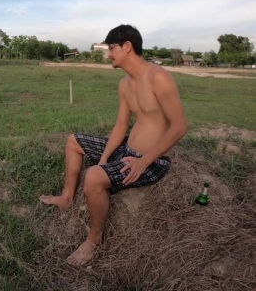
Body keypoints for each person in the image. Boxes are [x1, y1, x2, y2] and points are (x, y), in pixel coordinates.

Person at [39, 24, 187, 266]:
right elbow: (120, 126)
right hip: (127, 149)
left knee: (94, 177)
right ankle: (67, 198)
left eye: (112, 48)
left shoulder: (159, 78)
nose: (108, 54)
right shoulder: (125, 84)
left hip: (152, 161)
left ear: (128, 47)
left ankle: (93, 241)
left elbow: (179, 127)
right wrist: (105, 157)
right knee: (73, 141)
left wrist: (144, 160)